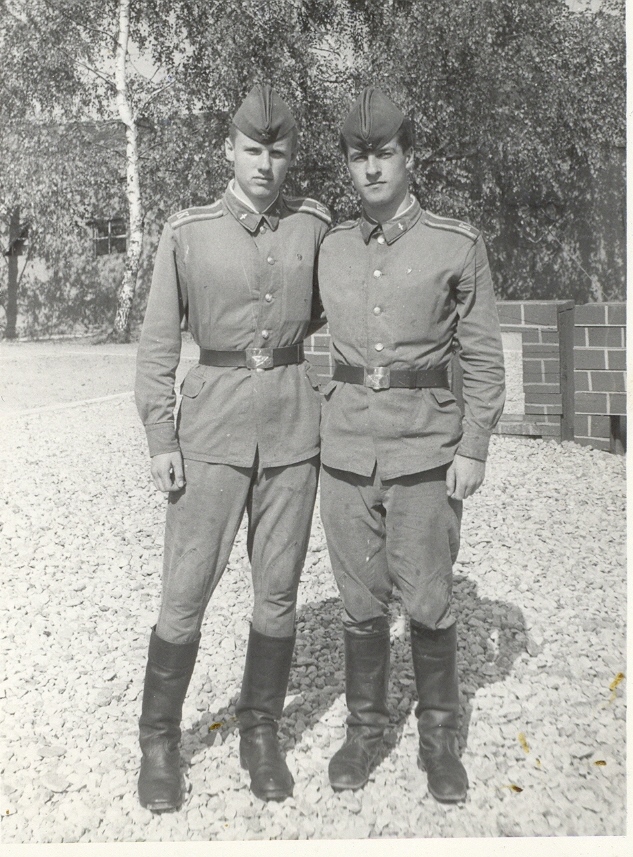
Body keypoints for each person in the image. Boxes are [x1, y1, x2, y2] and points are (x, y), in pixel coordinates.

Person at [134, 83, 330, 811]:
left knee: (277, 590)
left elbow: (331, 310)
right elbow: (158, 342)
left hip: (291, 430)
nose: (265, 164)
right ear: (229, 150)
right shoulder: (187, 233)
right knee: (185, 590)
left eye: (277, 153)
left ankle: (260, 732)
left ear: (290, 157)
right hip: (210, 430)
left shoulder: (313, 226)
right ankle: (159, 741)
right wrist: (160, 434)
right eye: (253, 150)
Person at [317, 86, 505, 803]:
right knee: (359, 598)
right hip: (344, 450)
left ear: (409, 157)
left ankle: (438, 738)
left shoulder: (455, 244)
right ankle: (365, 729)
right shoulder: (330, 246)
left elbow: (483, 357)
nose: (371, 169)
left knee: (427, 598)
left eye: (385, 153)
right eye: (358, 157)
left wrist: (474, 446)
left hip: (424, 450)